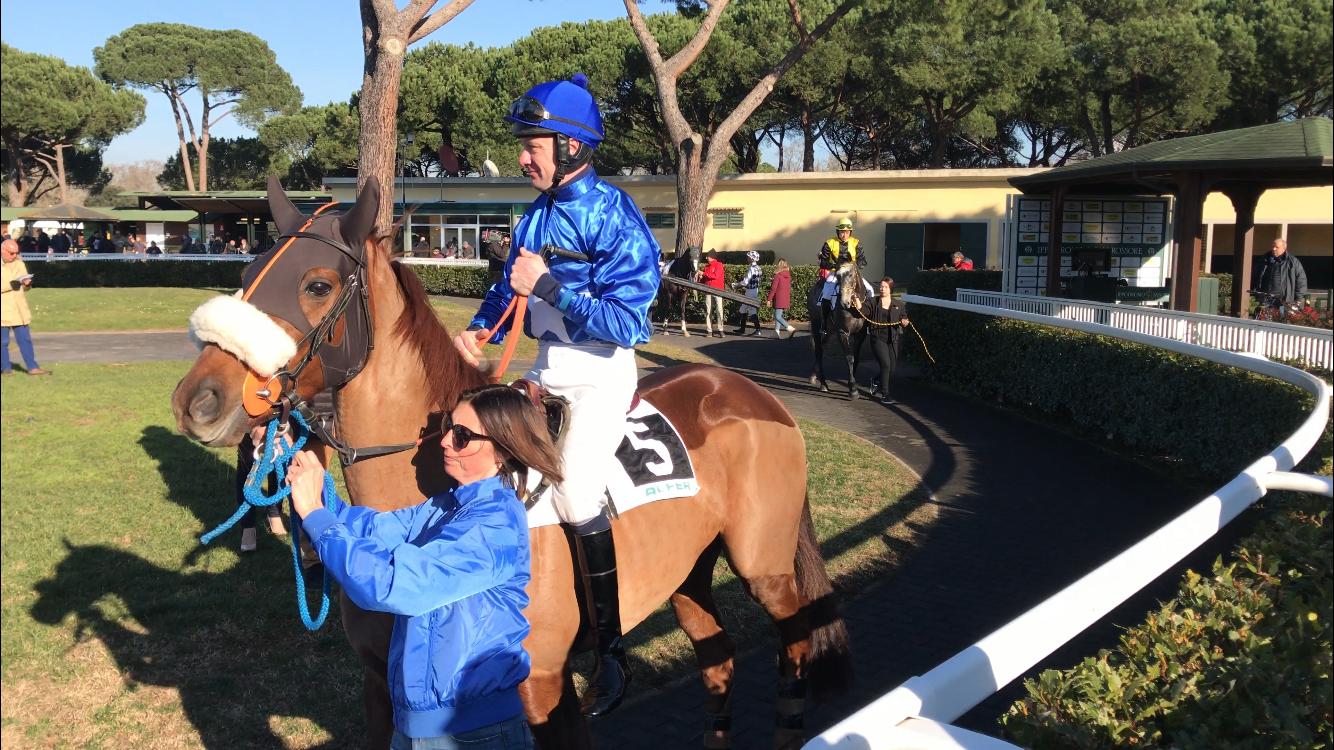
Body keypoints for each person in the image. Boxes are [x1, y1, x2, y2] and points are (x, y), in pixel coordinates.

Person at [453, 73, 659, 717]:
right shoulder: (536, 214)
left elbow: (630, 324)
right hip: (543, 371)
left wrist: (550, 289)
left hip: (600, 374)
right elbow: (508, 287)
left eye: (532, 146)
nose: (522, 157)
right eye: (523, 146)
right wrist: (478, 328)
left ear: (571, 146)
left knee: (571, 493)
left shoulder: (614, 213)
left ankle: (612, 649)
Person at [286, 384, 560, 749]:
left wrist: (316, 517)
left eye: (462, 436)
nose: (444, 441)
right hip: (422, 727)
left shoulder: (492, 527)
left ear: (503, 452)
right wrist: (317, 491)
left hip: (471, 734)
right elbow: (374, 529)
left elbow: (393, 584)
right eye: (449, 426)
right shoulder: (449, 505)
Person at [1, 238, 50, 376]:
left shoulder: (19, 264)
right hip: (3, 310)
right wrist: (11, 285)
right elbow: (11, 285)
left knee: (25, 340)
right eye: (11, 253)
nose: (14, 256)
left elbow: (24, 288)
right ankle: (5, 369)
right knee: (2, 342)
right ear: (2, 251)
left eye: (16, 252)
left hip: (19, 309)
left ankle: (33, 367)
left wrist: (27, 284)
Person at [235, 431, 286, 552]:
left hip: (280, 413)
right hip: (250, 414)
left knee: (279, 455)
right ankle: (248, 525)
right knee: (247, 458)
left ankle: (274, 512)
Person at [862, 277, 909, 404]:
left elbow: (904, 317)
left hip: (892, 339)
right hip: (877, 338)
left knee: (892, 368)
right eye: (881, 286)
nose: (882, 289)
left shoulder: (898, 304)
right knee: (886, 365)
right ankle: (885, 394)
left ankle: (876, 380)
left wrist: (905, 322)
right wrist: (857, 302)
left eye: (885, 287)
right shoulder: (873, 301)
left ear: (891, 289)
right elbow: (863, 311)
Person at [1257, 238, 1308, 313]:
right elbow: (1257, 276)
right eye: (1273, 246)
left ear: (1284, 248)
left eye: (1277, 247)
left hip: (1284, 300)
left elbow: (1301, 280)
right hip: (1266, 299)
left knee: (1281, 320)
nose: (1274, 249)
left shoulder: (1293, 262)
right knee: (1265, 322)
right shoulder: (1265, 259)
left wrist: (1298, 300)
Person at [696, 249, 727, 338]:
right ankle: (709, 331)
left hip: (717, 290)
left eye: (708, 256)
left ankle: (720, 330)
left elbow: (715, 276)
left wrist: (704, 274)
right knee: (708, 311)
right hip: (708, 291)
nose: (706, 258)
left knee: (719, 310)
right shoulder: (707, 266)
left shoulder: (719, 265)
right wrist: (700, 278)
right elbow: (704, 280)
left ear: (712, 257)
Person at [732, 250, 763, 336]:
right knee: (743, 309)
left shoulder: (751, 268)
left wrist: (736, 285)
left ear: (752, 258)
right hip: (755, 290)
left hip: (750, 291)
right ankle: (742, 329)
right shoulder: (758, 268)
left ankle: (758, 330)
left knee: (751, 310)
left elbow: (745, 282)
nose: (747, 258)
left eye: (748, 257)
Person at [765, 258, 797, 339]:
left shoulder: (778, 276)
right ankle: (776, 332)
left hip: (779, 299)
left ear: (779, 265)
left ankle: (790, 328)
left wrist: (769, 299)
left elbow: (773, 289)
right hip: (785, 298)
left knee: (777, 317)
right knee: (778, 314)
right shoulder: (788, 276)